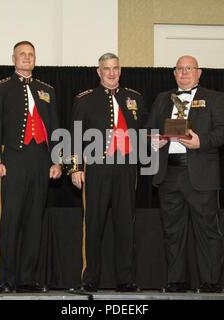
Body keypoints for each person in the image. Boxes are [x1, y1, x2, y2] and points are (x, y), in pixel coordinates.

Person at [146, 55, 224, 293]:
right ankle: (177, 280)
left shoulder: (214, 98)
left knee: (207, 230)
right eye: (179, 69)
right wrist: (156, 142)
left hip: (200, 173)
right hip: (168, 173)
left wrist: (201, 141)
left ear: (199, 72)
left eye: (189, 68)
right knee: (173, 231)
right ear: (174, 73)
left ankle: (210, 281)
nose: (184, 73)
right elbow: (149, 129)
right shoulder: (163, 99)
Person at [0, 41, 62, 294]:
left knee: (34, 222)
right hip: (12, 162)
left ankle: (28, 278)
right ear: (13, 58)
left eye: (30, 55)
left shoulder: (46, 90)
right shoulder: (0, 88)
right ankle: (6, 279)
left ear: (35, 59)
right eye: (22, 55)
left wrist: (57, 160)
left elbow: (55, 127)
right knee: (10, 221)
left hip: (40, 161)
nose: (26, 58)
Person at [68, 53, 145, 292]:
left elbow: (144, 133)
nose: (111, 73)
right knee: (93, 225)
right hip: (96, 169)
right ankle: (90, 279)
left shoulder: (135, 98)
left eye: (115, 68)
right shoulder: (84, 100)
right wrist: (75, 167)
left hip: (125, 170)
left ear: (120, 71)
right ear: (98, 71)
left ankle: (126, 279)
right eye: (106, 69)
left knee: (125, 226)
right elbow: (73, 137)